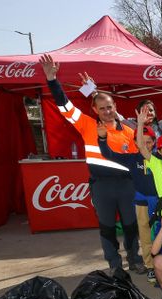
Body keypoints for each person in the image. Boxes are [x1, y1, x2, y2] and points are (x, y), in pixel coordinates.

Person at [39, 54, 143, 273]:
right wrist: (52, 80)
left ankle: (134, 259)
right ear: (95, 110)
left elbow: (138, 161)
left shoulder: (130, 130)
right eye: (102, 108)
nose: (107, 111)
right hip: (101, 186)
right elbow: (63, 105)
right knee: (106, 228)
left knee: (130, 226)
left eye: (110, 107)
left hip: (126, 186)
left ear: (115, 106)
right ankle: (114, 264)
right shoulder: (87, 125)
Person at [96, 123, 159, 284]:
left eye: (149, 141)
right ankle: (150, 266)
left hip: (159, 202)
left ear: (155, 142)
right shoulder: (131, 158)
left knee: (161, 233)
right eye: (141, 141)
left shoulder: (161, 157)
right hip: (141, 201)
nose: (145, 145)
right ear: (135, 142)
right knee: (145, 235)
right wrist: (102, 139)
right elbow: (108, 154)